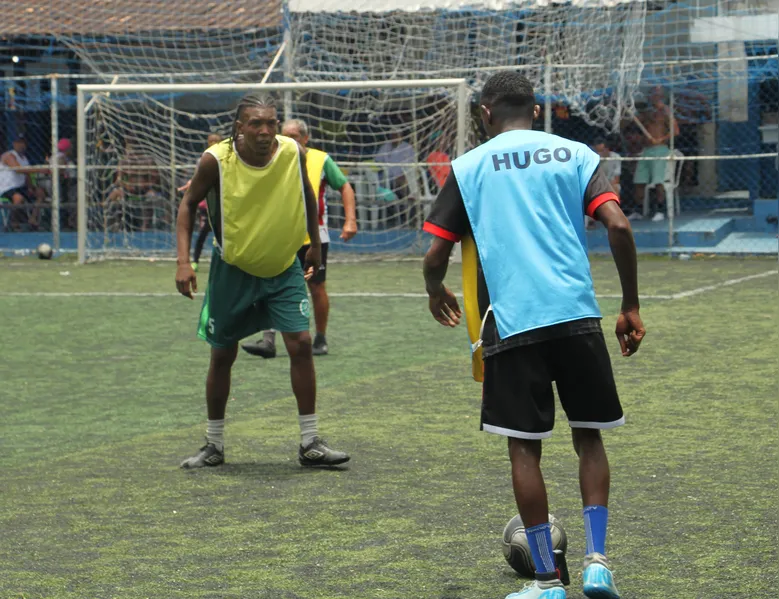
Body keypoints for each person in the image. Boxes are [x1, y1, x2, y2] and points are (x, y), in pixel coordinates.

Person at [421, 71, 645, 599]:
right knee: (588, 437)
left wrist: (435, 289)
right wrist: (630, 304)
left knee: (525, 450)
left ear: (484, 115)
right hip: (577, 316)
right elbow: (619, 226)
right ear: (537, 111)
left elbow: (435, 251)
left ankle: (546, 582)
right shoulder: (576, 155)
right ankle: (596, 565)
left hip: (513, 320)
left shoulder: (469, 166)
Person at [175, 94, 350, 469]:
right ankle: (214, 444)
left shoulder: (292, 152)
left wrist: (315, 245)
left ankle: (310, 442)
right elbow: (188, 204)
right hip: (232, 268)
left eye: (271, 123)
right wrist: (184, 262)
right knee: (223, 354)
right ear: (239, 127)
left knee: (301, 344)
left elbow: (306, 192)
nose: (265, 131)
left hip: (283, 265)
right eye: (256, 123)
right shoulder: (215, 160)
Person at [241, 119, 358, 358]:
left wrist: (350, 220)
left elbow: (344, 187)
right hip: (278, 236)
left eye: (294, 136)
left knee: (315, 286)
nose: (288, 141)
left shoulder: (321, 159)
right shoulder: (272, 158)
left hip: (313, 238)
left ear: (305, 138)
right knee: (268, 284)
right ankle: (268, 340)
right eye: (284, 135)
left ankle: (321, 338)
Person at [177, 132, 223, 271]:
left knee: (222, 234)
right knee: (203, 232)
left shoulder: (226, 158)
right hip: (208, 203)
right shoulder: (204, 159)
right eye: (211, 141)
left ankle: (225, 260)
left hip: (224, 202)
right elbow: (198, 178)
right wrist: (190, 184)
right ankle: (194, 261)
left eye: (216, 140)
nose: (213, 143)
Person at [633, 86, 679, 222]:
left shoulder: (666, 111)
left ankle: (660, 210)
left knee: (658, 180)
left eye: (657, 94)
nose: (654, 96)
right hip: (646, 150)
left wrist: (660, 139)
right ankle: (639, 210)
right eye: (652, 94)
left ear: (662, 96)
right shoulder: (647, 113)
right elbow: (636, 123)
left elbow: (675, 131)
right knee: (639, 180)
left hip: (660, 149)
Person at [107, 136, 161, 231]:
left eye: (133, 148)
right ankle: (112, 225)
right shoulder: (123, 162)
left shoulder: (148, 161)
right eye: (129, 148)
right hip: (128, 190)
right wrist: (127, 186)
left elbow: (155, 180)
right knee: (114, 194)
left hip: (145, 190)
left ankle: (146, 226)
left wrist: (144, 185)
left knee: (152, 196)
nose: (131, 151)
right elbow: (119, 180)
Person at [0, 135, 48, 230]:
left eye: (23, 143)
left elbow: (27, 174)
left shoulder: (24, 158)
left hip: (21, 187)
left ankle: (33, 219)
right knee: (18, 198)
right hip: (7, 188)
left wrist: (31, 187)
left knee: (40, 193)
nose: (21, 145)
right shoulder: (9, 155)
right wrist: (39, 169)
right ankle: (13, 223)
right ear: (14, 144)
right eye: (18, 143)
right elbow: (18, 169)